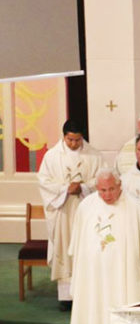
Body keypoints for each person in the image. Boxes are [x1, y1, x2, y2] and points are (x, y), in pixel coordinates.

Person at [68, 169, 140, 324]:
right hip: (94, 277)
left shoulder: (136, 208)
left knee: (126, 310)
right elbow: (77, 246)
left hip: (124, 276)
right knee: (96, 312)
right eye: (102, 190)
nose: (107, 194)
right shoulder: (86, 207)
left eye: (111, 189)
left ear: (120, 185)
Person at [37, 120, 103, 310]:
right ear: (64, 136)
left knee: (87, 248)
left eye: (77, 140)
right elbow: (44, 181)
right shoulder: (52, 156)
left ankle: (87, 294)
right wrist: (66, 188)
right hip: (64, 210)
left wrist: (82, 187)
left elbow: (103, 178)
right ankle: (66, 298)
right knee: (65, 250)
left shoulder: (95, 156)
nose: (74, 143)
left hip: (87, 210)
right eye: (70, 139)